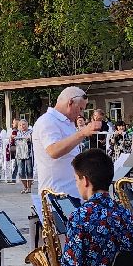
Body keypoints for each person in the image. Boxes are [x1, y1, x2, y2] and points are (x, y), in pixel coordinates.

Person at [30, 87, 103, 218]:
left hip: (71, 193)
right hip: (57, 194)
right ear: (70, 103)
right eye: (80, 108)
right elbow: (53, 151)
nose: (81, 113)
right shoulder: (47, 121)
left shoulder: (67, 123)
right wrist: (82, 133)